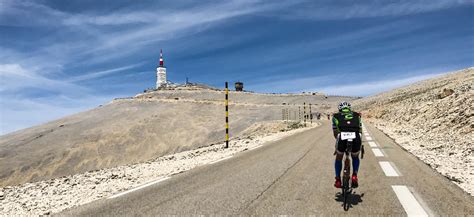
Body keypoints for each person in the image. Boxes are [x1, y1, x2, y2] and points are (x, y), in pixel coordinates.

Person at [332, 101, 362, 188]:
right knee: (355, 157)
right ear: (349, 108)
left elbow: (335, 132)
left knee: (339, 157)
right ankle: (354, 175)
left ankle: (338, 179)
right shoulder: (357, 115)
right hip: (356, 137)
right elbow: (360, 131)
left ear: (340, 109)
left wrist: (337, 145)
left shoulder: (335, 116)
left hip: (342, 137)